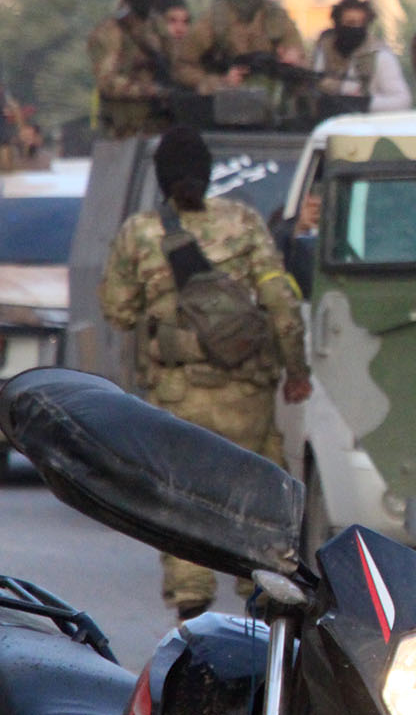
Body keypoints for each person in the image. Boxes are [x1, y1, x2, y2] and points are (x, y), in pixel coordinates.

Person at [98, 126, 312, 620]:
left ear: (161, 178)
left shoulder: (140, 232)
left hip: (178, 398)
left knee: (181, 501)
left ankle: (192, 608)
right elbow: (281, 302)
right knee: (257, 502)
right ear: (209, 172)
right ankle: (263, 613)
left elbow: (118, 311)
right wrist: (296, 370)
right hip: (248, 397)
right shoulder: (245, 222)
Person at [173, 0, 304, 93]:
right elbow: (182, 67)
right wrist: (219, 81)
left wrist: (292, 57)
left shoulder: (276, 16)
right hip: (226, 101)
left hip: (270, 97)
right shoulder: (216, 20)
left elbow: (295, 49)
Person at [87, 0, 173, 137]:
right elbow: (107, 82)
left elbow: (174, 62)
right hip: (124, 131)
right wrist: (149, 90)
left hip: (159, 125)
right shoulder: (111, 31)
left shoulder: (157, 26)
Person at [309, 0, 412, 112]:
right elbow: (315, 86)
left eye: (361, 23)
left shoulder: (379, 56)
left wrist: (363, 103)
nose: (355, 29)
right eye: (350, 23)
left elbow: (402, 101)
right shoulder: (324, 49)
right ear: (338, 24)